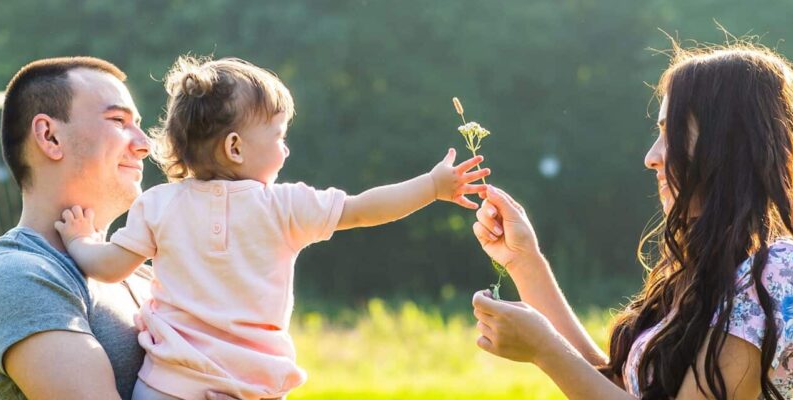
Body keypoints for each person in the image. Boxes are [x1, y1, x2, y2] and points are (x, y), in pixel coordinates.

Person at [53, 56, 488, 400]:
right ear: (235, 147)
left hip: (167, 384)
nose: (285, 148)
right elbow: (364, 209)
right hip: (252, 388)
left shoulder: (159, 204)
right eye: (278, 136)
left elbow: (109, 266)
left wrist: (78, 239)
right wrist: (431, 187)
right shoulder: (285, 206)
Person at [468, 42, 793, 400]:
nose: (651, 157)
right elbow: (616, 386)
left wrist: (545, 351)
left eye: (673, 133)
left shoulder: (775, 271)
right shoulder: (710, 267)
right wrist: (524, 262)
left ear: (729, 145)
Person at [0, 56, 156, 399]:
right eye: (118, 120)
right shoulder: (16, 277)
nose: (144, 144)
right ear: (49, 136)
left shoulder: (143, 278)